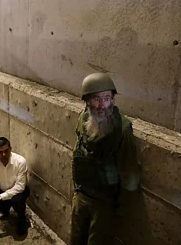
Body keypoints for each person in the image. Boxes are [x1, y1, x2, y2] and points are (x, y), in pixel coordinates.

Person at [71, 73, 140, 245]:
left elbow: (130, 174)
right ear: (87, 100)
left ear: (112, 100)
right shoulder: (83, 119)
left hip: (104, 203)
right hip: (81, 196)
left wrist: (121, 208)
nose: (102, 105)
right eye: (96, 99)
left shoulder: (122, 130)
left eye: (107, 98)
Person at [0, 137, 29, 236]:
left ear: (10, 148)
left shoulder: (20, 161)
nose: (3, 154)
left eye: (6, 151)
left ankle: (21, 218)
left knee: (17, 202)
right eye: (0, 152)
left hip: (18, 192)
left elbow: (20, 186)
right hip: (2, 190)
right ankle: (4, 209)